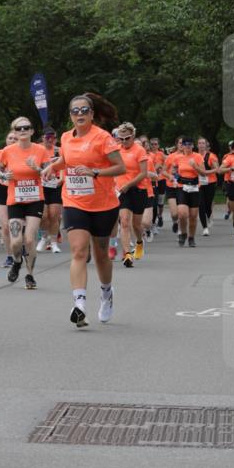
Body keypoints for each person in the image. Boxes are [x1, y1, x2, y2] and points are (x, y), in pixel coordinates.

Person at [44, 92, 125, 327]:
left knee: (100, 255)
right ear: (70, 115)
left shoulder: (103, 138)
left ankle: (107, 293)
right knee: (79, 250)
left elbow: (120, 167)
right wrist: (52, 166)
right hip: (74, 200)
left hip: (104, 204)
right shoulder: (67, 138)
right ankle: (79, 304)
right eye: (74, 111)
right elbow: (66, 161)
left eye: (84, 110)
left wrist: (96, 172)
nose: (79, 114)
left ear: (91, 114)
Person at [0, 117, 50, 288]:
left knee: (30, 239)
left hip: (35, 200)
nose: (23, 130)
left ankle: (30, 275)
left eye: (27, 127)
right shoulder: (7, 151)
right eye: (19, 129)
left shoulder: (40, 150)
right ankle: (17, 261)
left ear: (32, 131)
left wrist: (38, 169)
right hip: (15, 200)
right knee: (16, 241)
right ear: (15, 132)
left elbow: (49, 174)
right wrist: (5, 176)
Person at [115, 123, 148, 268]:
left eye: (126, 138)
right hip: (122, 191)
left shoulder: (139, 150)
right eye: (120, 139)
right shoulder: (116, 150)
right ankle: (127, 254)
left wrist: (129, 184)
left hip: (138, 190)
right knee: (124, 221)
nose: (123, 141)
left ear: (133, 136)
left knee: (136, 224)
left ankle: (139, 241)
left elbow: (143, 173)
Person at [0, 130, 18, 267]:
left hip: (19, 189)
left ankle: (20, 249)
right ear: (6, 140)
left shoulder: (23, 152)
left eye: (15, 138)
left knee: (18, 226)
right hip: (2, 190)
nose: (12, 140)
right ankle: (9, 256)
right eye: (10, 138)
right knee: (6, 226)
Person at [37, 127, 62, 253]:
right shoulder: (37, 150)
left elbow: (64, 166)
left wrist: (61, 179)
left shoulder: (59, 151)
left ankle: (54, 243)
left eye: (53, 137)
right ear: (43, 138)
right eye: (48, 137)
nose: (50, 140)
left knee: (54, 216)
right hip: (41, 186)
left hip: (55, 185)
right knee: (44, 216)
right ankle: (43, 238)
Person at [172, 137, 200, 247]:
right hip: (181, 187)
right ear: (182, 146)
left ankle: (191, 237)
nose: (188, 146)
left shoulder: (197, 157)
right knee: (182, 214)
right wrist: (174, 178)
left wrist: (195, 166)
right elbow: (174, 170)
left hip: (194, 187)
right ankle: (183, 233)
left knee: (193, 216)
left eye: (190, 144)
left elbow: (202, 172)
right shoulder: (178, 158)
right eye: (185, 144)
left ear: (193, 146)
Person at [195, 137, 218, 236]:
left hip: (210, 182)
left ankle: (209, 215)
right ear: (197, 145)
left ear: (206, 145)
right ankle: (205, 227)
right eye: (199, 143)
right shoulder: (194, 156)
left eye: (203, 143)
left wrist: (205, 172)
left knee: (208, 204)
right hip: (198, 183)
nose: (201, 145)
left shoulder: (211, 156)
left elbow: (217, 169)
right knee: (201, 205)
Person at [164, 137, 183, 233]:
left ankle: (180, 231)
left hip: (183, 187)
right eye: (180, 143)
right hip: (171, 186)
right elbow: (163, 171)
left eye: (183, 143)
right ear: (177, 144)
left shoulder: (189, 157)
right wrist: (169, 176)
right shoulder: (170, 157)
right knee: (174, 213)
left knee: (181, 212)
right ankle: (175, 222)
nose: (182, 145)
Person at [149, 137, 167, 228]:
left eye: (155, 144)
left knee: (161, 201)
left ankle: (160, 216)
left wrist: (163, 168)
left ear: (158, 145)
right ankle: (154, 219)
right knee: (154, 201)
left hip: (161, 179)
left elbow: (168, 162)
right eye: (152, 144)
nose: (153, 146)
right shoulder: (148, 154)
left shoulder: (161, 154)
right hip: (153, 180)